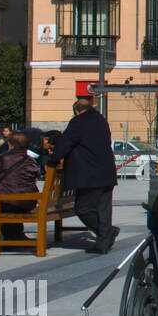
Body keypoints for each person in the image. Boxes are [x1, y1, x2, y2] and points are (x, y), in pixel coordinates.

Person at [48, 98, 119, 254]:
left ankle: (107, 233)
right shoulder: (101, 120)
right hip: (107, 171)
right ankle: (103, 242)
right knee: (104, 209)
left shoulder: (78, 122)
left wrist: (53, 160)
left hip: (89, 174)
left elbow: (65, 142)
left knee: (83, 208)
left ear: (77, 111)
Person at [0, 131, 42, 246]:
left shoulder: (2, 159)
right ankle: (15, 236)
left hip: (8, 202)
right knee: (12, 201)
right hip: (28, 202)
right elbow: (36, 175)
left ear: (10, 145)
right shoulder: (31, 160)